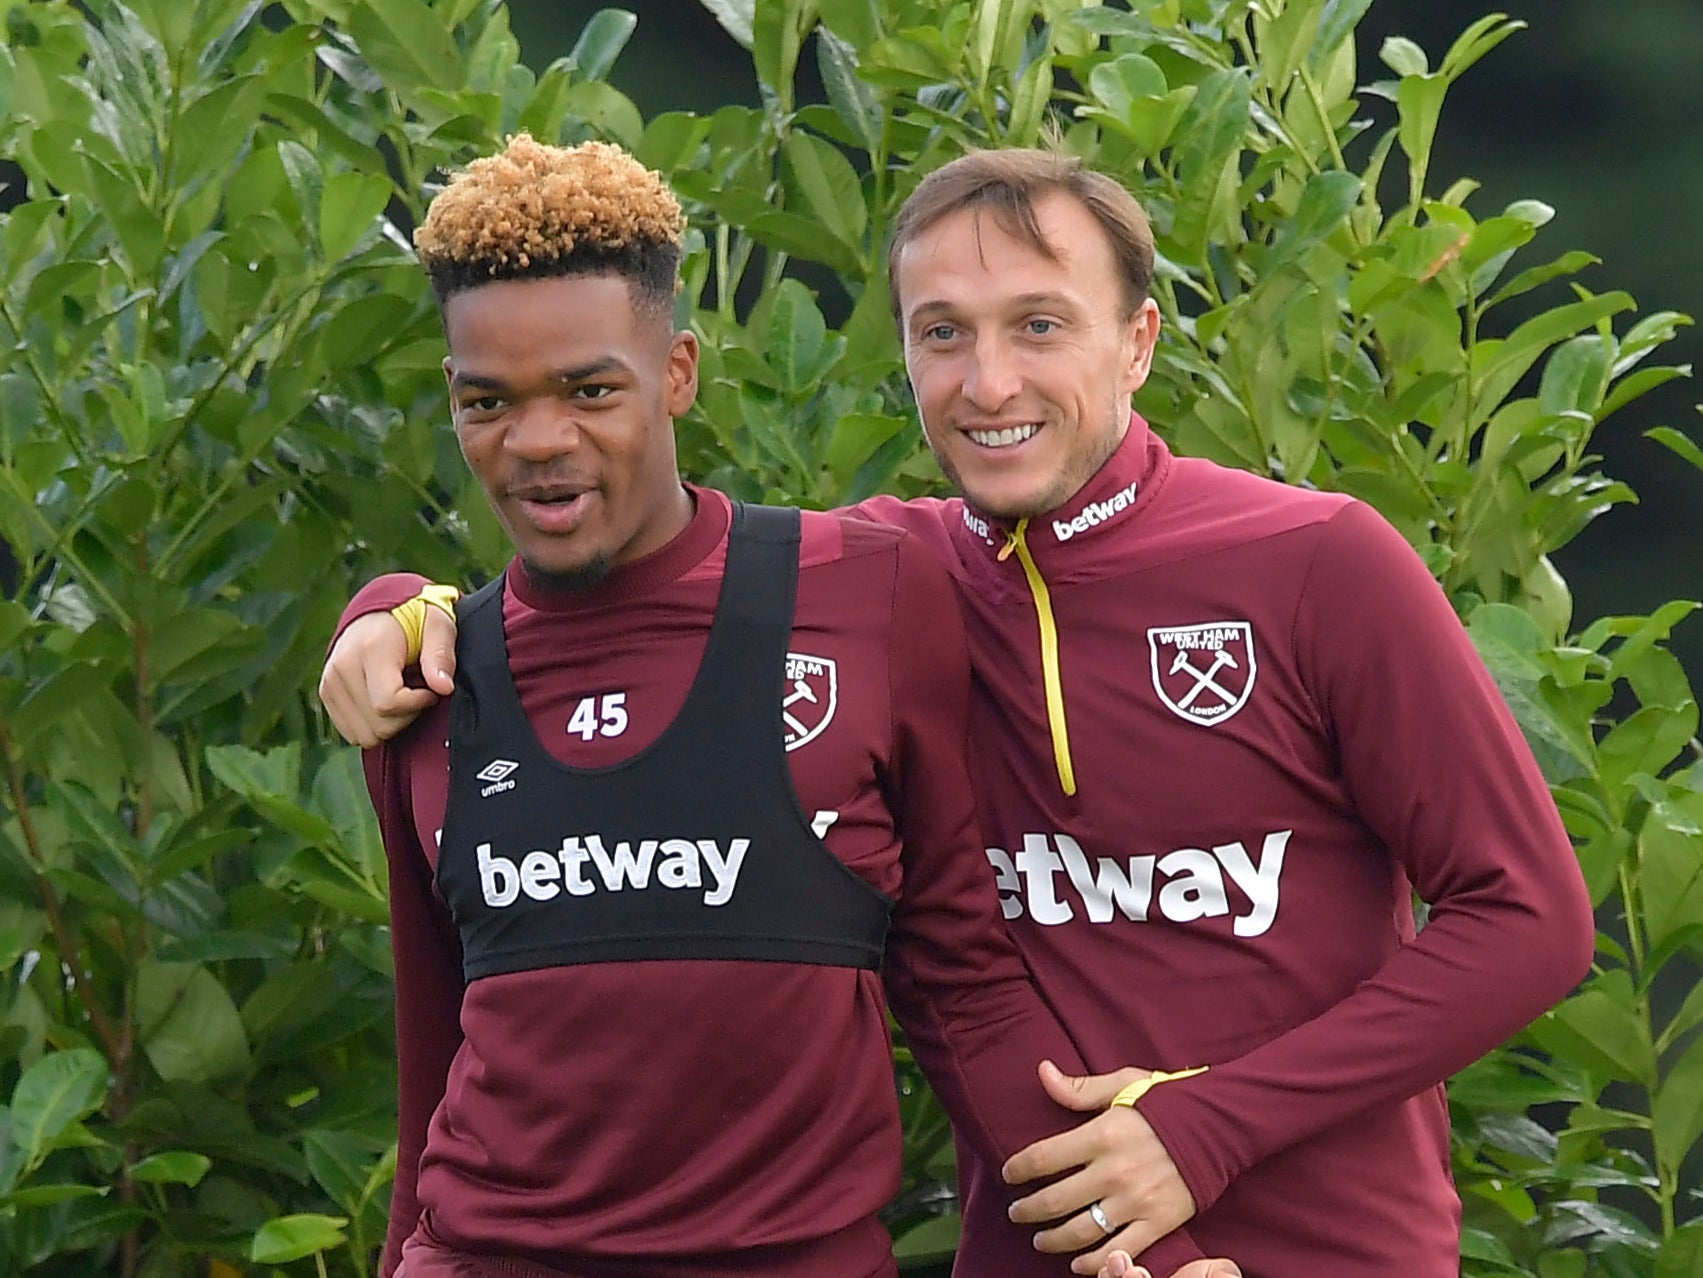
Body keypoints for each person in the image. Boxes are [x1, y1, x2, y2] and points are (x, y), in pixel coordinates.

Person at [323, 144, 1595, 1277]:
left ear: (1138, 342)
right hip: (1036, 1244)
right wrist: (392, 607)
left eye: (1039, 325)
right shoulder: (876, 577)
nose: (989, 381)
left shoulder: (1316, 559)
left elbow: (1530, 922)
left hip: (1320, 1244)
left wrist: (1199, 1133)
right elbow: (627, 577)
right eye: (943, 333)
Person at [338, 135, 1232, 1278]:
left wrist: (1151, 1256)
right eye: (487, 402)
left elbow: (962, 989)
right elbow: (433, 1060)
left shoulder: (864, 594)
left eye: (591, 389)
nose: (539, 442)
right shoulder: (424, 680)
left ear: (677, 373)